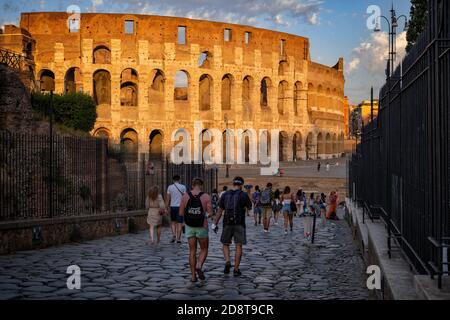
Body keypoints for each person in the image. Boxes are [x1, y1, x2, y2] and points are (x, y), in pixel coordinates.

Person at [213, 177, 252, 277]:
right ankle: (236, 269)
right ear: (241, 185)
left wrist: (215, 223)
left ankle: (227, 261)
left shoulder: (225, 194)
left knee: (225, 243)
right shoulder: (243, 195)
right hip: (239, 223)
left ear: (233, 184)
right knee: (238, 245)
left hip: (227, 223)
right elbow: (249, 207)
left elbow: (219, 211)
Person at [179, 178, 213, 283]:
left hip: (189, 227)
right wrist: (206, 215)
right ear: (201, 185)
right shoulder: (206, 196)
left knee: (192, 251)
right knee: (204, 249)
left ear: (192, 185)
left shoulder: (185, 196)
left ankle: (193, 277)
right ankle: (199, 265)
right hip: (202, 226)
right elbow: (210, 213)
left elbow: (181, 213)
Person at [166, 175, 187, 244]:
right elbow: (185, 198)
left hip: (172, 206)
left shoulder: (170, 187)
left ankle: (174, 235)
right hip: (181, 207)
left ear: (173, 180)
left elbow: (168, 198)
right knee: (180, 223)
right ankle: (178, 239)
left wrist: (166, 207)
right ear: (179, 179)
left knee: (173, 222)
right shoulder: (183, 187)